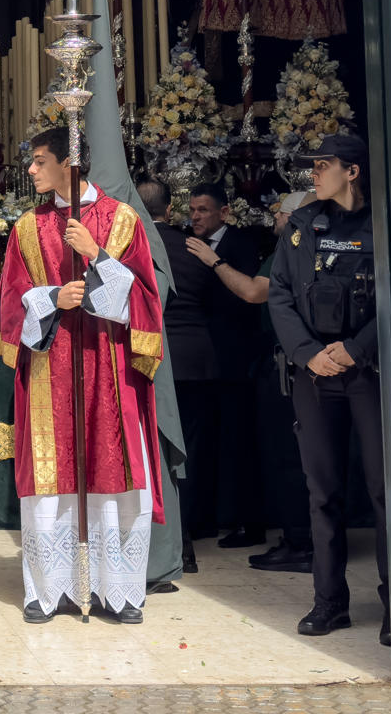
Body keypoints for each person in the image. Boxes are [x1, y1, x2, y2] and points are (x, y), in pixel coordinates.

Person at [0, 126, 166, 624]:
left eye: (40, 160)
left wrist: (96, 255)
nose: (31, 170)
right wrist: (52, 298)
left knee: (113, 468)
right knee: (52, 476)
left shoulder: (122, 220)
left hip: (109, 369)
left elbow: (147, 305)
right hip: (52, 368)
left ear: (69, 164)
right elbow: (9, 306)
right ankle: (48, 591)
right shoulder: (28, 228)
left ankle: (121, 591)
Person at [264, 132, 387, 644]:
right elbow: (281, 294)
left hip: (366, 371)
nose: (313, 173)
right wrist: (307, 353)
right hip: (315, 373)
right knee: (323, 492)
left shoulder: (382, 223)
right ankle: (329, 601)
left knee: (385, 492)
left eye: (323, 164)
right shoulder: (302, 224)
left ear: (352, 171)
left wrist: (355, 349)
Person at [145, 181, 266, 568]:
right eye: (190, 210)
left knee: (153, 449)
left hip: (156, 359)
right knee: (192, 450)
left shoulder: (137, 246)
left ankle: (163, 536)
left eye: (202, 210)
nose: (195, 217)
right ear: (171, 208)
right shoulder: (195, 250)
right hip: (199, 360)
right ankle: (189, 534)